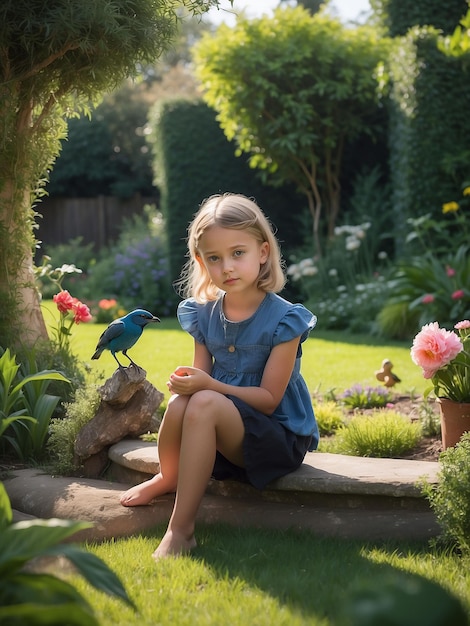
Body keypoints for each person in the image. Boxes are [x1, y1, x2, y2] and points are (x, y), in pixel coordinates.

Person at [120, 193, 319, 559]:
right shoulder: (203, 313)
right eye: (214, 258)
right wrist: (189, 380)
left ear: (263, 252)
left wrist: (207, 385)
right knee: (183, 402)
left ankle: (181, 531)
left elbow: (269, 399)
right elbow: (201, 378)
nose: (227, 266)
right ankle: (170, 476)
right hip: (224, 434)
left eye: (237, 253)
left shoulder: (286, 320)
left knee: (206, 400)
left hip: (275, 437)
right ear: (201, 261)